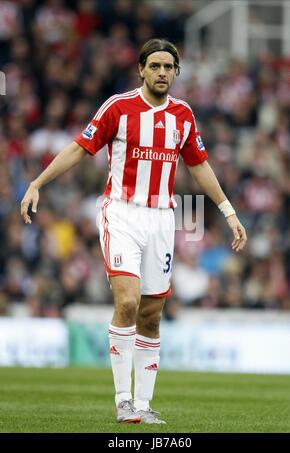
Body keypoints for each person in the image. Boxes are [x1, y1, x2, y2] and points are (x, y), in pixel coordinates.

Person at [20, 38, 247, 424]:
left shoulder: (183, 115)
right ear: (141, 69)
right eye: (155, 66)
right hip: (121, 212)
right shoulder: (118, 107)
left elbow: (200, 165)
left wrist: (228, 211)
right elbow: (79, 148)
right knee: (127, 302)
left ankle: (143, 405)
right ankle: (123, 400)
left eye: (168, 67)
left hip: (162, 218)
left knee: (152, 314)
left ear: (176, 72)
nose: (162, 73)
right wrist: (37, 183)